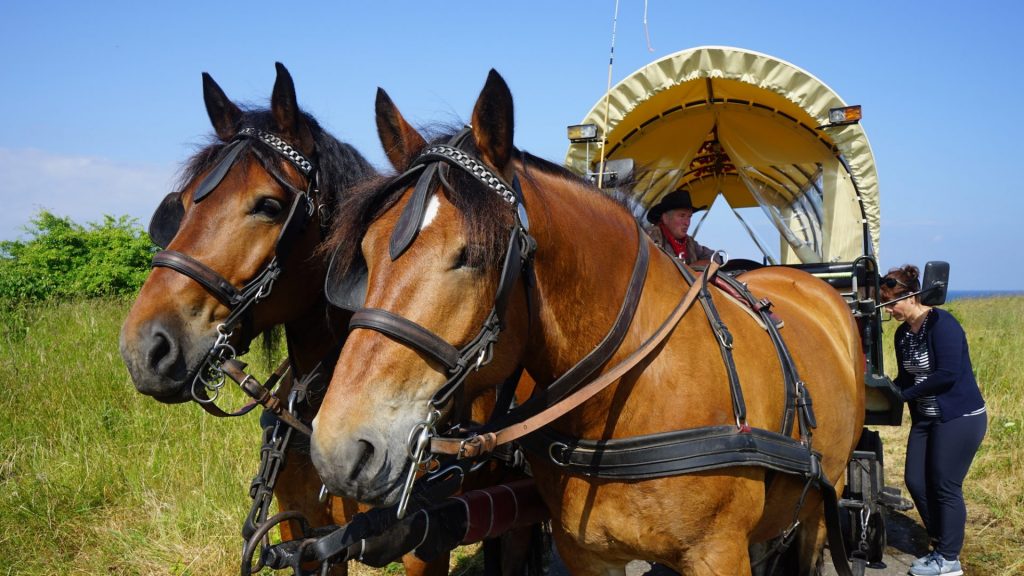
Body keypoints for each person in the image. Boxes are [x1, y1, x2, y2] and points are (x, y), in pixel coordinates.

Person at [881, 265, 987, 576]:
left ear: (911, 296)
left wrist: (906, 393)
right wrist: (886, 390)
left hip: (958, 418)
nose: (890, 310)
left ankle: (949, 560)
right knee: (916, 481)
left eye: (892, 303)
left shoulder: (944, 325)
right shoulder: (903, 335)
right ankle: (941, 542)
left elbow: (947, 375)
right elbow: (904, 377)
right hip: (926, 420)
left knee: (945, 485)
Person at [645, 190, 715, 264]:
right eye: (682, 216)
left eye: (689, 217)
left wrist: (694, 268)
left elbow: (716, 257)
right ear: (665, 218)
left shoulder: (690, 243)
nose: (687, 223)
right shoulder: (650, 237)